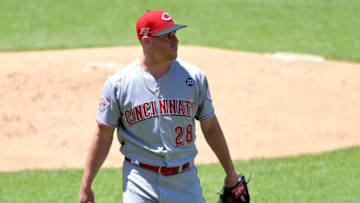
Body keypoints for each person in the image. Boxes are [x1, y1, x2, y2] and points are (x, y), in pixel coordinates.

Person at [79, 9, 242, 203]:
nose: (175, 41)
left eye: (175, 34)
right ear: (146, 40)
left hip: (185, 180)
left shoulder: (194, 78)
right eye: (167, 36)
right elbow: (103, 135)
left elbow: (210, 126)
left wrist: (230, 173)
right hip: (139, 181)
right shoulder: (119, 85)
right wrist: (86, 185)